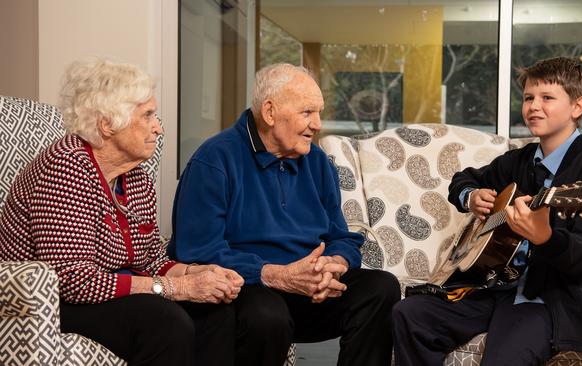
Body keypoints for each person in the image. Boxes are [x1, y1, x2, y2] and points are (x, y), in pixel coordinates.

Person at [0, 58, 243, 366]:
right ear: (108, 123)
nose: (160, 127)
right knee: (164, 322)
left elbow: (151, 258)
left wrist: (198, 274)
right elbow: (74, 280)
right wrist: (176, 287)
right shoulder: (66, 167)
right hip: (53, 303)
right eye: (148, 115)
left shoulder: (136, 177)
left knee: (217, 312)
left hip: (110, 293)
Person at [392, 57, 582, 365]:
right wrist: (471, 196)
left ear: (577, 107)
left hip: (552, 301)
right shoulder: (521, 160)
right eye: (529, 97)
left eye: (547, 98)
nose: (533, 106)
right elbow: (464, 180)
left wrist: (546, 238)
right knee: (410, 315)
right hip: (497, 286)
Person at [169, 63, 401, 366]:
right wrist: (275, 275)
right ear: (269, 112)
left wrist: (334, 264)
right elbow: (196, 251)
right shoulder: (215, 159)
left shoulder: (317, 162)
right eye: (307, 112)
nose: (317, 124)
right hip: (248, 287)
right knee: (267, 315)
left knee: (381, 288)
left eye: (319, 112)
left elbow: (340, 235)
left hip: (309, 290)